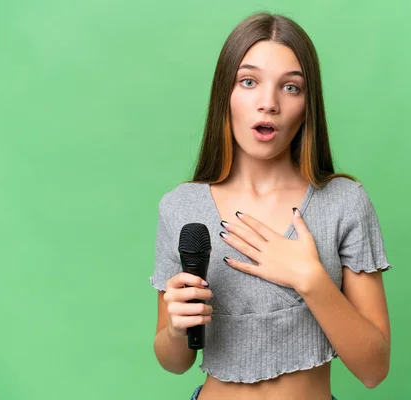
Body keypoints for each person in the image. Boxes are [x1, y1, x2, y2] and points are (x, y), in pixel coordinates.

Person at [149, 12, 393, 400]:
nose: (268, 103)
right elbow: (174, 361)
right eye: (249, 82)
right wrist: (178, 329)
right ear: (224, 95)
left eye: (291, 88)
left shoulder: (344, 202)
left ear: (307, 104)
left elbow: (374, 369)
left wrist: (310, 279)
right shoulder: (181, 208)